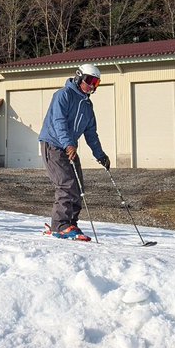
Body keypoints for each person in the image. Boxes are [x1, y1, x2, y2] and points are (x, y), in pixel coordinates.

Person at [38, 63, 111, 241]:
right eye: (90, 81)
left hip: (70, 147)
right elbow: (59, 121)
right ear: (79, 77)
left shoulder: (87, 105)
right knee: (66, 184)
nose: (93, 86)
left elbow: (91, 133)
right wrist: (68, 143)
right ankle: (60, 225)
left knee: (77, 187)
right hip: (54, 144)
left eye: (97, 83)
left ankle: (71, 223)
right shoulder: (63, 95)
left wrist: (100, 154)